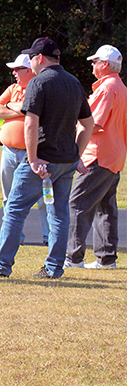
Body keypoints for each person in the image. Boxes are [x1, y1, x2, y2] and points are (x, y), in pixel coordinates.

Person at [0, 37, 93, 279]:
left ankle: (1, 265)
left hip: (42, 160)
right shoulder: (74, 82)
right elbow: (87, 124)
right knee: (59, 214)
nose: (30, 63)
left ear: (39, 58)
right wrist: (77, 154)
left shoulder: (39, 82)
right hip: (66, 161)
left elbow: (31, 123)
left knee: (15, 209)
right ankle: (53, 268)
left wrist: (32, 158)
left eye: (31, 58)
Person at [65, 45, 126, 270]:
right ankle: (106, 257)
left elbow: (94, 123)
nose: (92, 65)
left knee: (78, 204)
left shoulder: (106, 88)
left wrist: (75, 150)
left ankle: (73, 257)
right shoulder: (120, 86)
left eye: (95, 61)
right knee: (105, 206)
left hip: (98, 155)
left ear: (105, 64)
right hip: (115, 154)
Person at [0, 54, 48, 244]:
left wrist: (13, 107)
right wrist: (16, 107)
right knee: (8, 197)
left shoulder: (39, 88)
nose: (14, 73)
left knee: (43, 198)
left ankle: (49, 236)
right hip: (9, 151)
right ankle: (14, 236)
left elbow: (29, 108)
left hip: (33, 153)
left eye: (17, 69)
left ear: (29, 70)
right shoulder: (13, 88)